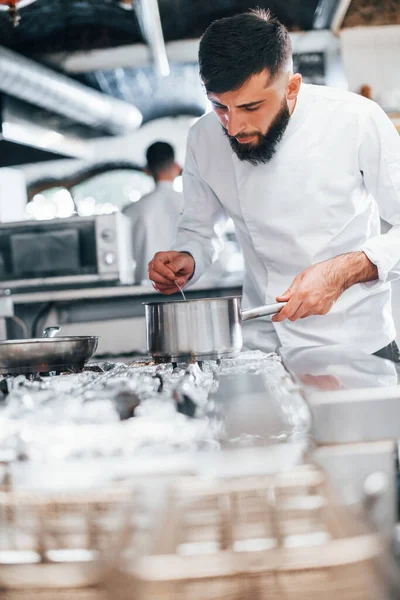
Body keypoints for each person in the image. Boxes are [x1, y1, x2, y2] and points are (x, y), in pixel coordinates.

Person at [148, 9, 400, 361]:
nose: (234, 127)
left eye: (251, 106)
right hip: (261, 350)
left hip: (356, 344)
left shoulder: (357, 120)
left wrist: (345, 270)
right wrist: (187, 256)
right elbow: (199, 230)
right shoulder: (203, 137)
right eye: (220, 107)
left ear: (292, 86)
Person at [123, 141, 183, 284]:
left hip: (146, 288)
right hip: (189, 287)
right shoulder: (195, 204)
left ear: (147, 170)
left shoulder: (129, 211)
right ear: (177, 167)